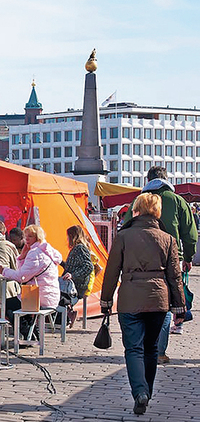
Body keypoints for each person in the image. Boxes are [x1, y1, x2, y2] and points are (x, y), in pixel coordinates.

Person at [101, 193, 185, 415]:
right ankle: (147, 390)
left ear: (136, 210)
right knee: (151, 348)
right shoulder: (168, 239)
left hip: (130, 299)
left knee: (133, 348)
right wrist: (179, 308)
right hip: (159, 299)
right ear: (157, 212)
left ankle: (140, 392)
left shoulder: (124, 236)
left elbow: (112, 271)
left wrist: (106, 299)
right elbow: (175, 277)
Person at [124, 166, 196, 361]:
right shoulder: (178, 201)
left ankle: (138, 347)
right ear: (167, 179)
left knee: (138, 303)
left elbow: (125, 227)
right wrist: (188, 258)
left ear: (148, 179)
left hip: (139, 260)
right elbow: (190, 235)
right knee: (165, 305)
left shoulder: (138, 201)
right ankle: (159, 351)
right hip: (170, 259)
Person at [0, 225, 62, 336]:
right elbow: (25, 272)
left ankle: (28, 334)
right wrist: (22, 257)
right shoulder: (46, 250)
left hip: (38, 297)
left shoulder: (35, 253)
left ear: (38, 237)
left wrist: (3, 270)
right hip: (48, 295)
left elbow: (21, 276)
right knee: (17, 304)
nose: (27, 239)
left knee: (7, 305)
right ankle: (31, 333)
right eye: (26, 236)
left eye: (30, 236)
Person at [61, 225, 94, 299]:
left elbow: (88, 266)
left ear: (72, 236)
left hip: (76, 287)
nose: (67, 239)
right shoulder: (78, 248)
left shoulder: (79, 248)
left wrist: (73, 275)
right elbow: (72, 266)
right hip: (74, 285)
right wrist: (60, 262)